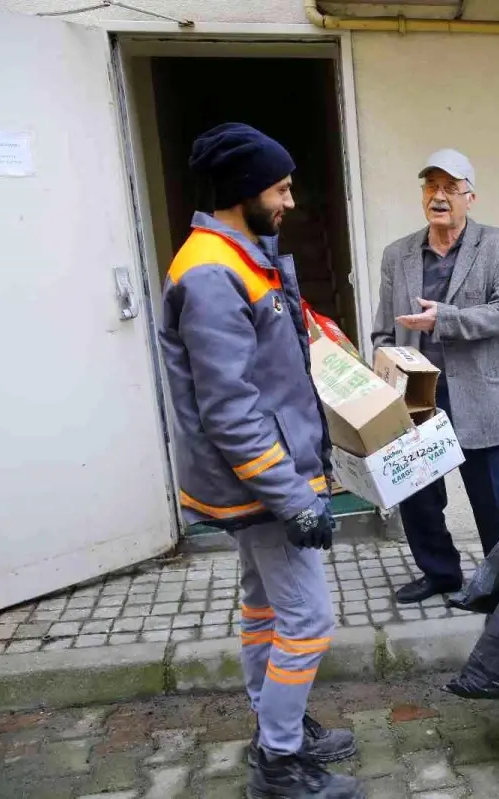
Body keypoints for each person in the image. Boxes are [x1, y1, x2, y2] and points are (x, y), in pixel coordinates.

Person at [159, 122, 364, 799]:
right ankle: (279, 763)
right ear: (244, 191)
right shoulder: (213, 271)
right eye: (280, 188)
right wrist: (295, 496)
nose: (290, 201)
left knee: (264, 607)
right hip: (264, 483)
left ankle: (281, 725)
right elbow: (232, 408)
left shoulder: (236, 255)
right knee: (308, 620)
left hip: (257, 480)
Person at [372, 148, 499, 604]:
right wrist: (385, 370)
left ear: (470, 197)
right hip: (418, 398)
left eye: (449, 188)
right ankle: (440, 573)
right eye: (430, 187)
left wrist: (444, 318)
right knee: (419, 499)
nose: (438, 197)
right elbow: (386, 327)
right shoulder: (397, 254)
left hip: (485, 395)